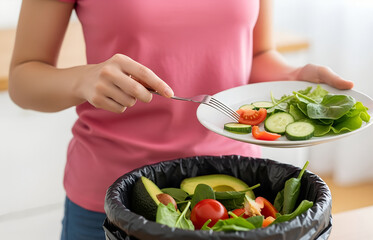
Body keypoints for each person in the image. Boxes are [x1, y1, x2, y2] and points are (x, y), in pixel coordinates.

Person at [9, 0, 353, 239]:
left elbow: (256, 54)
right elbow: (24, 80)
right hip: (112, 198)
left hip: (234, 192)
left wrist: (293, 78)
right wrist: (82, 79)